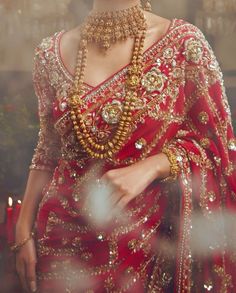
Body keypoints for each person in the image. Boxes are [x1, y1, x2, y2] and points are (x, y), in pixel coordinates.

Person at [13, 0, 236, 292]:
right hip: (59, 240)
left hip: (148, 242)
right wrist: (22, 230)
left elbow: (218, 149)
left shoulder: (183, 44)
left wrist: (151, 167)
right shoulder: (49, 53)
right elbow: (48, 149)